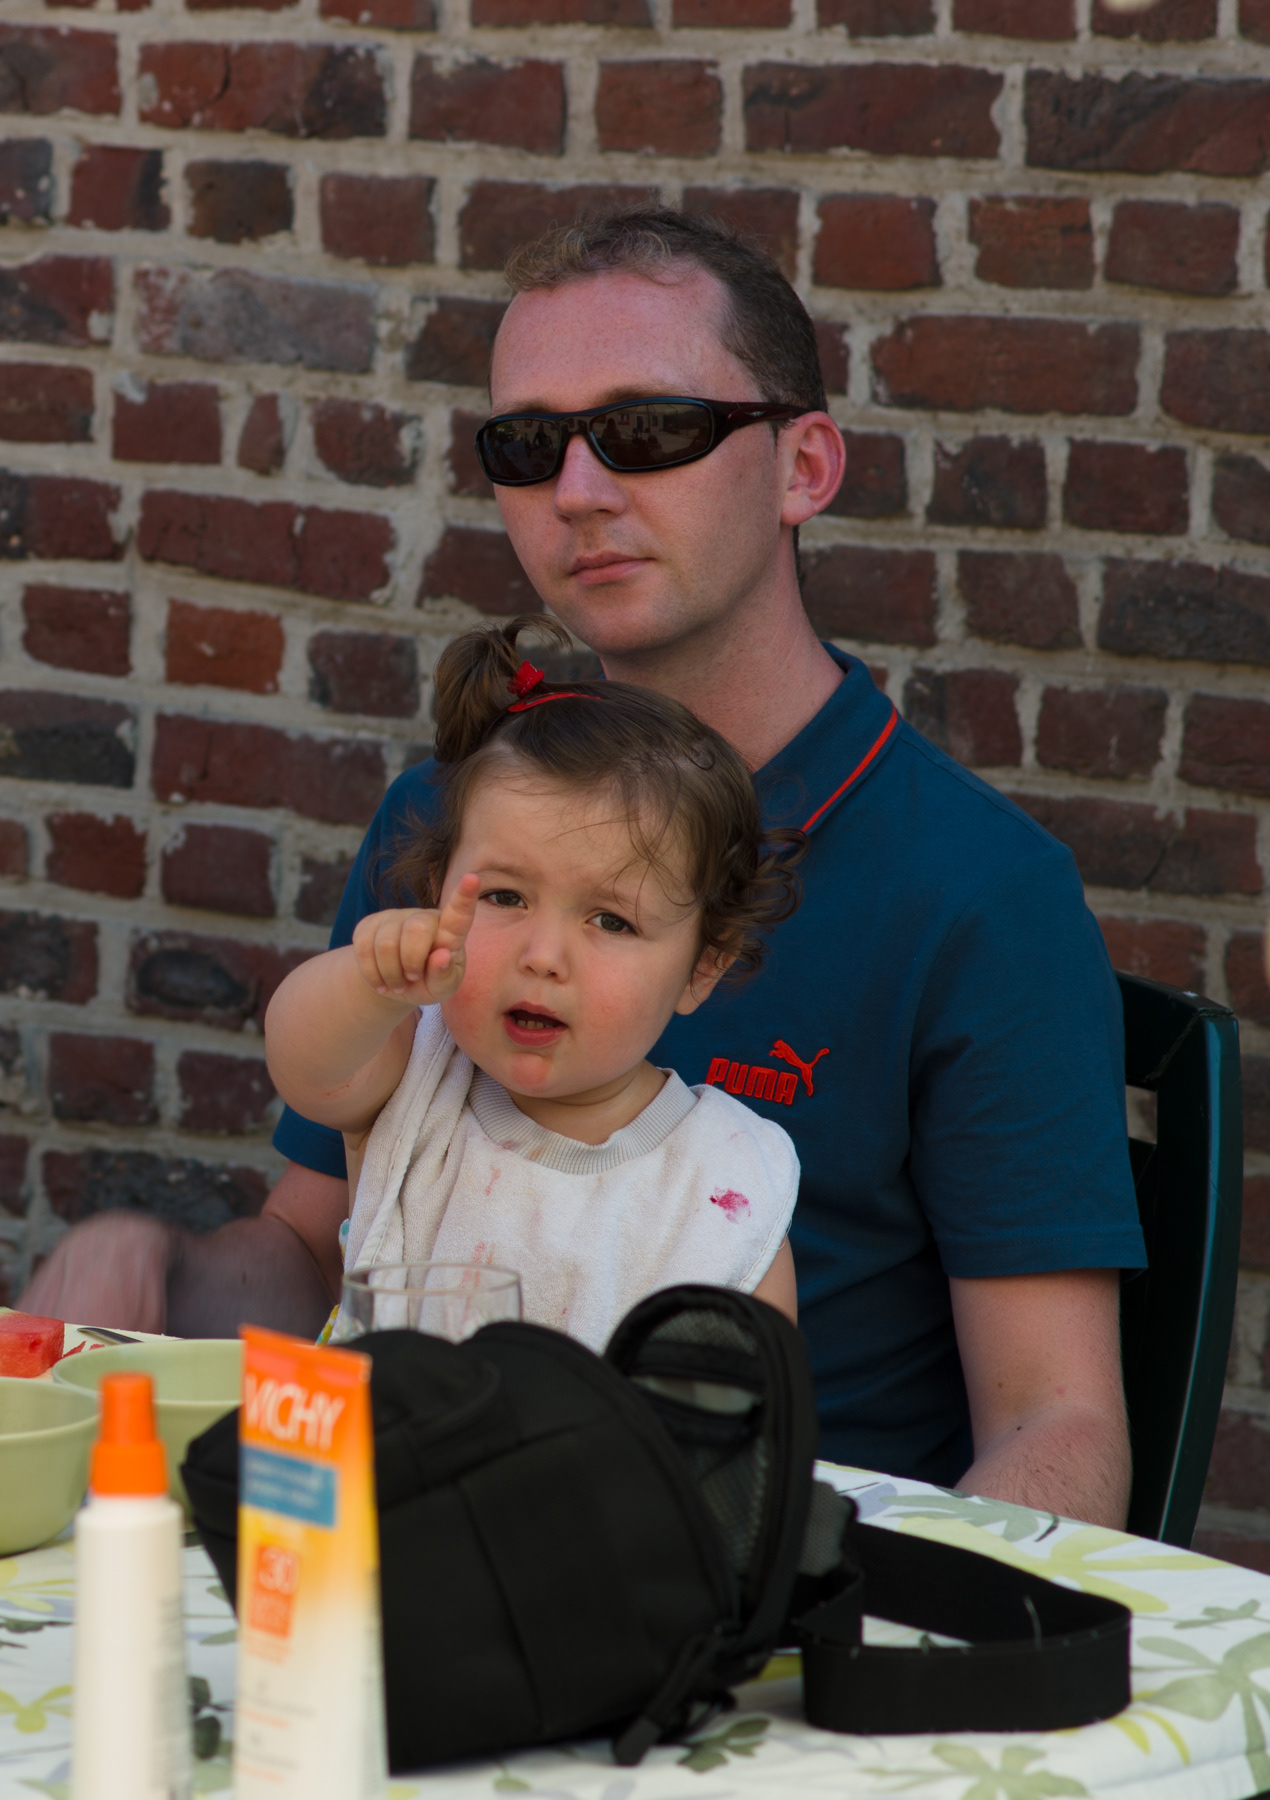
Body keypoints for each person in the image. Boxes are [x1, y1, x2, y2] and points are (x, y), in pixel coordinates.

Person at [22, 207, 1145, 1528]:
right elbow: (317, 1248)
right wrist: (162, 1280)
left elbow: (1057, 1425)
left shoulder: (977, 893)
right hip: (422, 1551)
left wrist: (862, 1628)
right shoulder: (447, 821)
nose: (577, 490)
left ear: (802, 467)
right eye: (525, 445)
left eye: (648, 430)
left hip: (762, 1580)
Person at [264, 616, 801, 1347]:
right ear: (439, 891)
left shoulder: (719, 1184)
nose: (543, 955)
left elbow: (749, 1396)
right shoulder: (413, 1078)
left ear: (703, 967)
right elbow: (305, 1066)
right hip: (387, 1424)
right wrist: (370, 982)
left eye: (611, 921)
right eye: (505, 897)